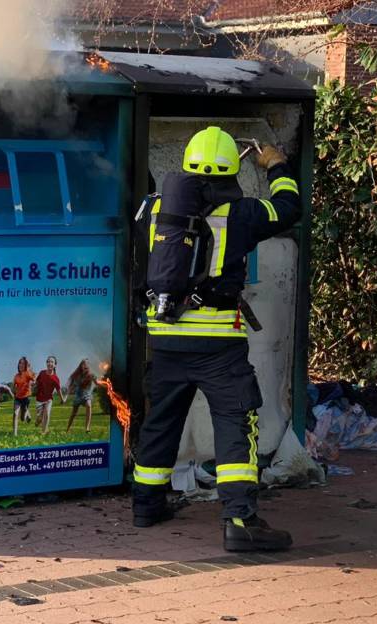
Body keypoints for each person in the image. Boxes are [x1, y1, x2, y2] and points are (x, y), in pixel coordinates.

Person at [133, 126, 301, 553]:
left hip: (166, 336)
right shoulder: (242, 213)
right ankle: (241, 520)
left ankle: (147, 504)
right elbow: (289, 207)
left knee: (161, 421)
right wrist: (277, 164)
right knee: (234, 422)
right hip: (217, 344)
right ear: (231, 170)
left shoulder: (153, 209)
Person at [34, 356, 64, 435]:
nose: (50, 363)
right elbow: (36, 383)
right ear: (46, 363)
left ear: (55, 365)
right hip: (39, 398)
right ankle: (38, 420)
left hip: (48, 399)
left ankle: (43, 431)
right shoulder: (42, 373)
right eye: (48, 362)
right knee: (39, 418)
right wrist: (32, 386)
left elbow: (58, 390)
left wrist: (62, 399)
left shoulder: (55, 378)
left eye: (52, 362)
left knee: (47, 413)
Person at [65, 359, 96, 433]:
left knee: (89, 405)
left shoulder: (91, 375)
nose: (85, 365)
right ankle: (68, 429)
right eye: (84, 364)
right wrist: (66, 397)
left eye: (87, 364)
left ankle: (87, 428)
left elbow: (97, 383)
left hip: (87, 395)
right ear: (81, 366)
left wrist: (107, 385)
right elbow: (71, 387)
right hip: (78, 396)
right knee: (73, 413)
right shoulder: (77, 376)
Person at [11, 356, 35, 436]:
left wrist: (29, 371)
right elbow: (13, 386)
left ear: (25, 365)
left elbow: (34, 378)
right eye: (20, 363)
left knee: (22, 418)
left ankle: (27, 412)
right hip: (18, 398)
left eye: (23, 363)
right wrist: (13, 389)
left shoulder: (27, 373)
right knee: (15, 414)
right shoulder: (16, 376)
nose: (21, 365)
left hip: (26, 398)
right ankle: (15, 434)